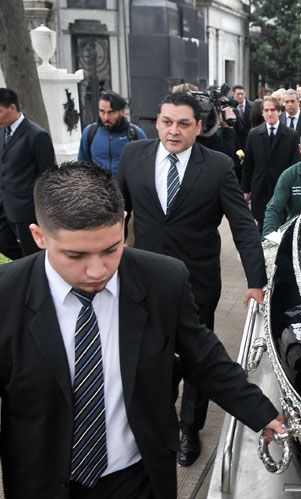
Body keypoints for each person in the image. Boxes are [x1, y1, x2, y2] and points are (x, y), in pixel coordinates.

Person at [0, 161, 284, 498]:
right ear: (39, 236)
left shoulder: (163, 280)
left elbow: (204, 358)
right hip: (42, 483)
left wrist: (264, 414)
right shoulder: (6, 295)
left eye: (110, 249)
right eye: (76, 255)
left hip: (139, 480)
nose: (97, 270)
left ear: (123, 224)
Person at [117, 92, 268, 467]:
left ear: (199, 127)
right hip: (141, 278)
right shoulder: (133, 156)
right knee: (150, 354)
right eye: (167, 121)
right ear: (158, 122)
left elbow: (243, 225)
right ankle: (158, 420)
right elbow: (117, 214)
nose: (173, 130)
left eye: (184, 124)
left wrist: (256, 280)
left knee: (197, 356)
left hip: (195, 282)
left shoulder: (217, 166)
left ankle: (190, 428)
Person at [0, 87, 56, 260]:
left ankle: (34, 281)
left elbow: (47, 175)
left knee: (33, 254)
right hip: (3, 207)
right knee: (4, 244)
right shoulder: (2, 132)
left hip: (27, 210)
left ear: (13, 108)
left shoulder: (36, 135)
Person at [243, 96, 301, 229]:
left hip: (282, 188)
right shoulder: (253, 134)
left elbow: (295, 165)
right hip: (260, 189)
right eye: (266, 110)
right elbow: (248, 164)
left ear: (279, 111)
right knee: (262, 225)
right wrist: (245, 190)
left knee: (281, 226)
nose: (269, 113)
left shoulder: (291, 135)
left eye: (273, 110)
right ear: (262, 112)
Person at [77, 90, 146, 177]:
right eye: (102, 111)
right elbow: (82, 165)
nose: (106, 117)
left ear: (121, 112)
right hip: (98, 188)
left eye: (111, 112)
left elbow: (145, 167)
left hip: (125, 188)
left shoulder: (135, 133)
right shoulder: (90, 132)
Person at [232, 85, 253, 153]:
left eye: (242, 94)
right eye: (238, 94)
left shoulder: (252, 106)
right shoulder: (229, 107)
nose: (240, 96)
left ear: (245, 94)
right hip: (235, 143)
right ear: (233, 94)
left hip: (249, 141)